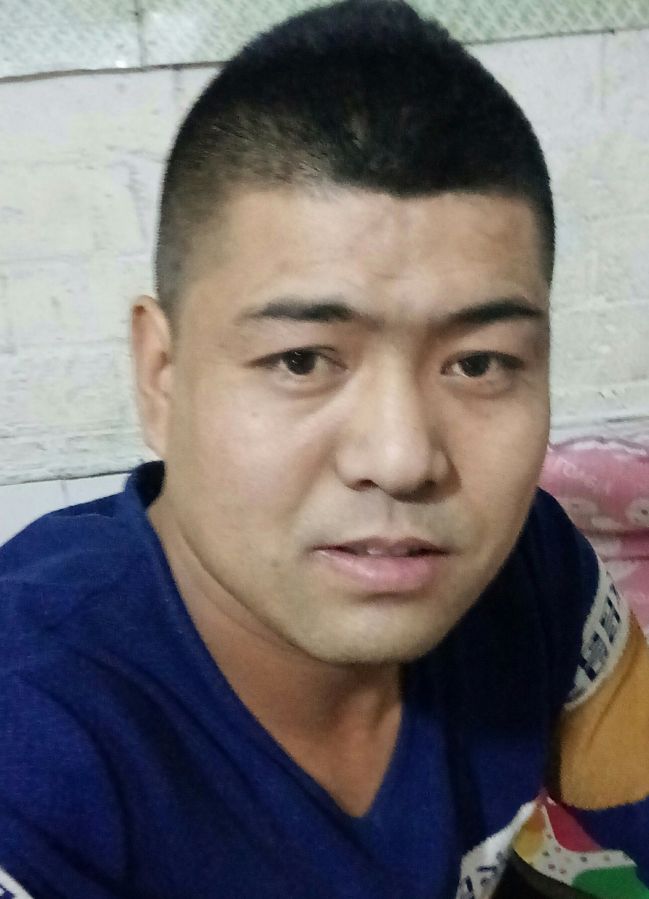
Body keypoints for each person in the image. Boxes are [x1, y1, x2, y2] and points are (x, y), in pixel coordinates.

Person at [0, 2, 647, 897]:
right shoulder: (37, 740)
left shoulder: (530, 569)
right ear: (162, 376)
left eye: (478, 362)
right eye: (301, 360)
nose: (403, 458)